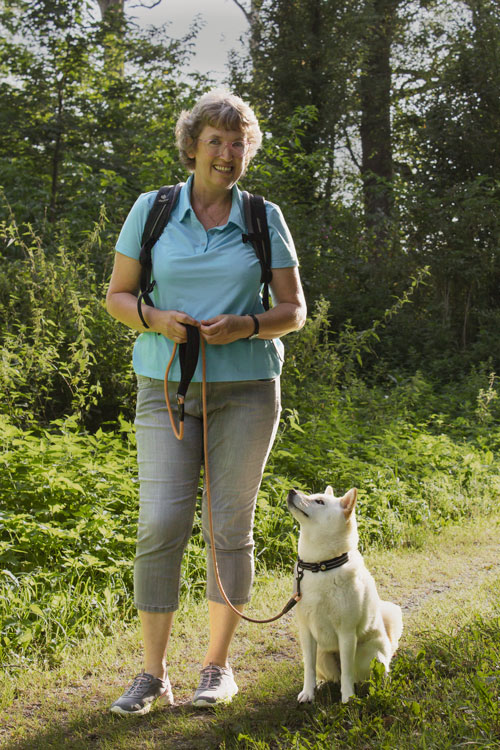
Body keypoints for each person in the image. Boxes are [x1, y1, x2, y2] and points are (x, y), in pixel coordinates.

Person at [106, 89, 306, 715]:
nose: (227, 152)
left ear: (249, 151)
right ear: (192, 146)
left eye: (238, 141)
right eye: (215, 140)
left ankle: (217, 667)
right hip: (165, 387)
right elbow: (117, 296)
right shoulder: (153, 208)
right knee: (161, 525)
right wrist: (157, 318)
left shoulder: (262, 216)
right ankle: (151, 675)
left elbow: (293, 312)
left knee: (229, 531)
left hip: (247, 391)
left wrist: (247, 326)